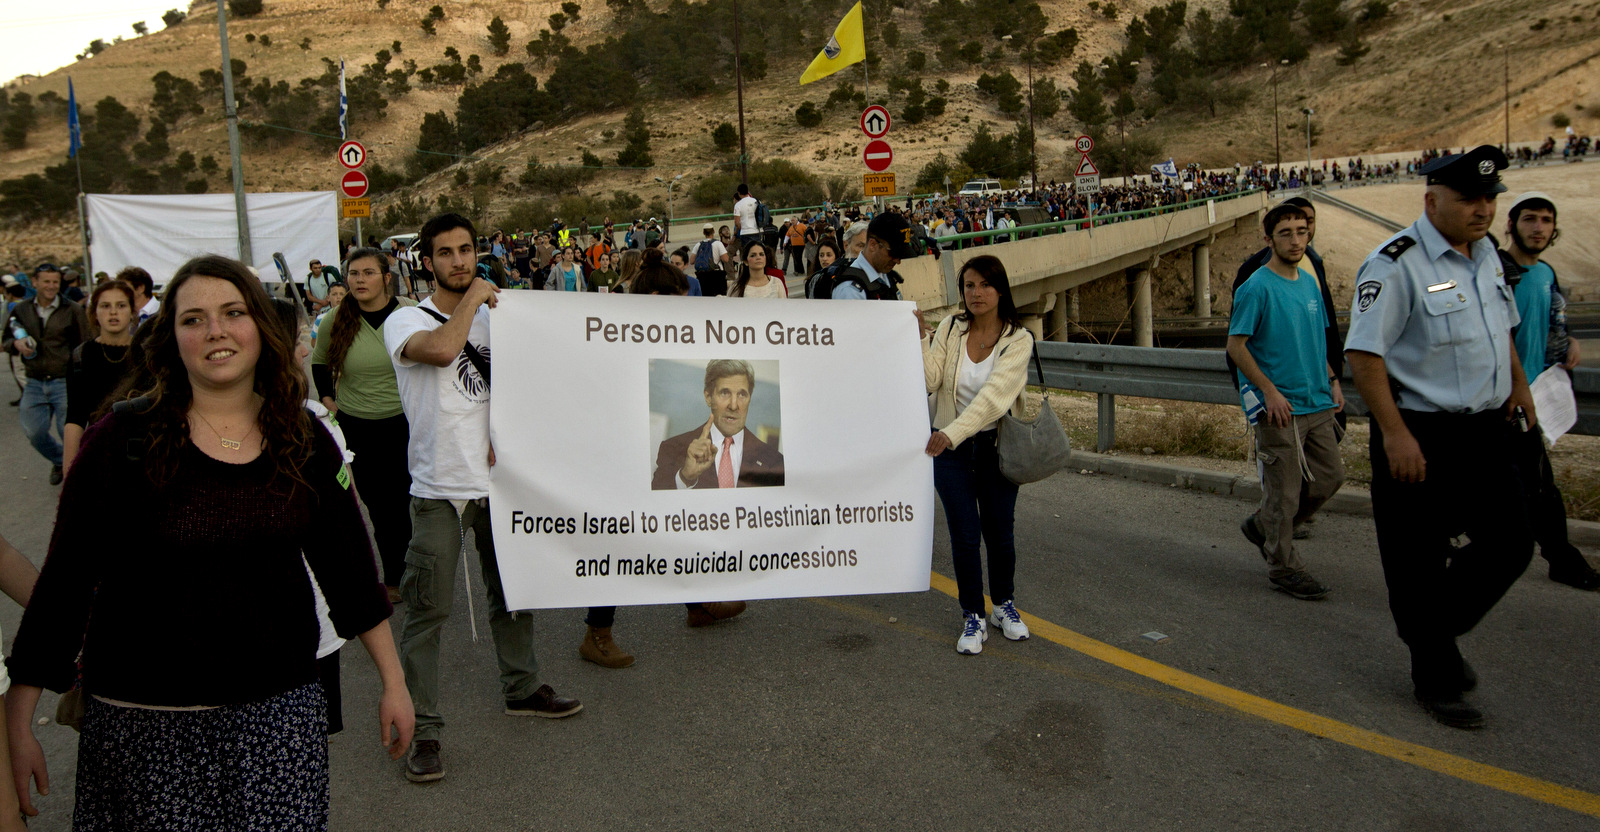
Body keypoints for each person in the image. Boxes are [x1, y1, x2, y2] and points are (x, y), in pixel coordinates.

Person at [4, 254, 412, 828]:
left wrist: (394, 683)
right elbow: (64, 585)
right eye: (193, 319)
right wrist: (17, 723)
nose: (215, 330)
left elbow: (350, 571)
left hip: (277, 725)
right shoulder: (119, 441)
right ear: (170, 338)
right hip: (141, 734)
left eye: (232, 312)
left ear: (260, 328)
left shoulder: (304, 437)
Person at [1345, 146, 1536, 730]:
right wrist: (1395, 434)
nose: (1483, 209)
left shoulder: (1486, 259)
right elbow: (1364, 353)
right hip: (1419, 431)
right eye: (1469, 199)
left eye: (1489, 199)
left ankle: (1429, 630)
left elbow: (1500, 329)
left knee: (1512, 541)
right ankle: (1436, 672)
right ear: (1432, 201)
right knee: (1417, 559)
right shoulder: (1395, 264)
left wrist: (1519, 385)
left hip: (1484, 429)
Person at [385, 213, 581, 784]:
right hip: (439, 490)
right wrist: (473, 300)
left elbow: (534, 383)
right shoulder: (404, 321)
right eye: (445, 253)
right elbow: (445, 351)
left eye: (467, 250)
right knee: (428, 613)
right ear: (427, 262)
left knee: (513, 594)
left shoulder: (502, 317)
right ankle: (423, 731)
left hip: (498, 486)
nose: (459, 262)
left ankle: (521, 688)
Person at [1227, 204, 1345, 600]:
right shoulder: (1256, 287)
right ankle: (1284, 566)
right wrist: (1269, 391)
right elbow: (1236, 346)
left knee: (1330, 478)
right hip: (1280, 409)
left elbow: (1317, 340)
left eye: (1301, 231)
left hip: (1317, 402)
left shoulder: (1309, 283)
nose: (1296, 240)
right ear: (1269, 240)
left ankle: (1266, 526)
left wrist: (1332, 379)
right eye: (1286, 233)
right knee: (1284, 492)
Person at [923, 255, 1034, 655]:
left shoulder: (1019, 339)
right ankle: (973, 613)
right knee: (965, 536)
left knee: (1000, 534)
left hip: (994, 449)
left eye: (985, 285)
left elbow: (994, 400)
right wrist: (921, 338)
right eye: (969, 285)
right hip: (950, 453)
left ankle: (1003, 605)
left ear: (1000, 289)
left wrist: (950, 433)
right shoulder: (952, 328)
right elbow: (932, 378)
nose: (976, 293)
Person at [1499, 192, 1600, 590]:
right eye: (1529, 219)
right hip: (1502, 398)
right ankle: (1560, 559)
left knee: (1533, 483)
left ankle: (1560, 557)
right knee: (1531, 484)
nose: (1538, 227)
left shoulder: (1545, 273)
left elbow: (1554, 319)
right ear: (1511, 224)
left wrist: (1570, 340)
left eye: (1545, 220)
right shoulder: (1498, 272)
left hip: (1536, 394)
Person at [313, 248, 417, 603]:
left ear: (386, 278)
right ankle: (393, 577)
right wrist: (328, 399)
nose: (359, 280)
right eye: (353, 273)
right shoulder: (336, 319)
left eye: (367, 273)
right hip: (358, 427)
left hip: (405, 424)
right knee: (378, 506)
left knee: (407, 502)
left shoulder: (410, 316)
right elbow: (319, 362)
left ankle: (414, 572)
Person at [2, 264, 91, 485]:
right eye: (46, 281)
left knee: (70, 434)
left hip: (64, 382)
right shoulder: (21, 310)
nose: (51, 286)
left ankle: (78, 480)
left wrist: (82, 378)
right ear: (34, 282)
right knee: (34, 433)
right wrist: (17, 344)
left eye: (55, 282)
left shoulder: (72, 310)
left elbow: (85, 345)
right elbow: (6, 340)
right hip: (34, 382)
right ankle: (61, 460)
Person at [651, 357, 785, 491]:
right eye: (725, 393)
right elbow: (655, 505)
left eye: (742, 395)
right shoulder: (672, 449)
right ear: (708, 397)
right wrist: (685, 477)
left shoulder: (775, 462)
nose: (733, 405)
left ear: (749, 399)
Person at [63, 279, 139, 469]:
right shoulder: (81, 356)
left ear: (132, 312)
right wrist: (69, 470)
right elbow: (75, 417)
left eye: (121, 305)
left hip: (142, 451)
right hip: (99, 450)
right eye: (105, 306)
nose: (113, 312)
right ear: (95, 313)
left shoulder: (146, 354)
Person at [830, 212, 912, 300]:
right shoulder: (850, 291)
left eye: (900, 256)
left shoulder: (884, 275)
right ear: (873, 245)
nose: (898, 261)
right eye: (893, 254)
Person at [691, 223, 730, 297]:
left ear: (703, 233)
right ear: (714, 231)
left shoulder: (698, 245)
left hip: (702, 277)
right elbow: (726, 259)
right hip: (717, 276)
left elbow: (691, 261)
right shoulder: (718, 244)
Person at [121, 266, 160, 331]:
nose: (120, 292)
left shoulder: (164, 311)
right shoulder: (124, 314)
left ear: (141, 288)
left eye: (124, 288)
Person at [734, 184, 761, 253]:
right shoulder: (756, 201)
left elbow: (737, 223)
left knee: (748, 253)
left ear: (739, 193)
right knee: (757, 252)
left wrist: (742, 227)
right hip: (756, 231)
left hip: (745, 232)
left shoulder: (738, 205)